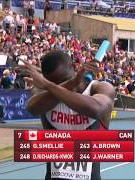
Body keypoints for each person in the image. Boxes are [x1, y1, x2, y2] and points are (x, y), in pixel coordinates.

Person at [23, 50, 115, 180]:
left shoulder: (99, 88)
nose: (59, 87)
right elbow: (32, 108)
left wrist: (49, 86)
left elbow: (96, 109)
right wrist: (69, 83)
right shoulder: (43, 91)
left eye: (63, 80)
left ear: (73, 67)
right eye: (55, 84)